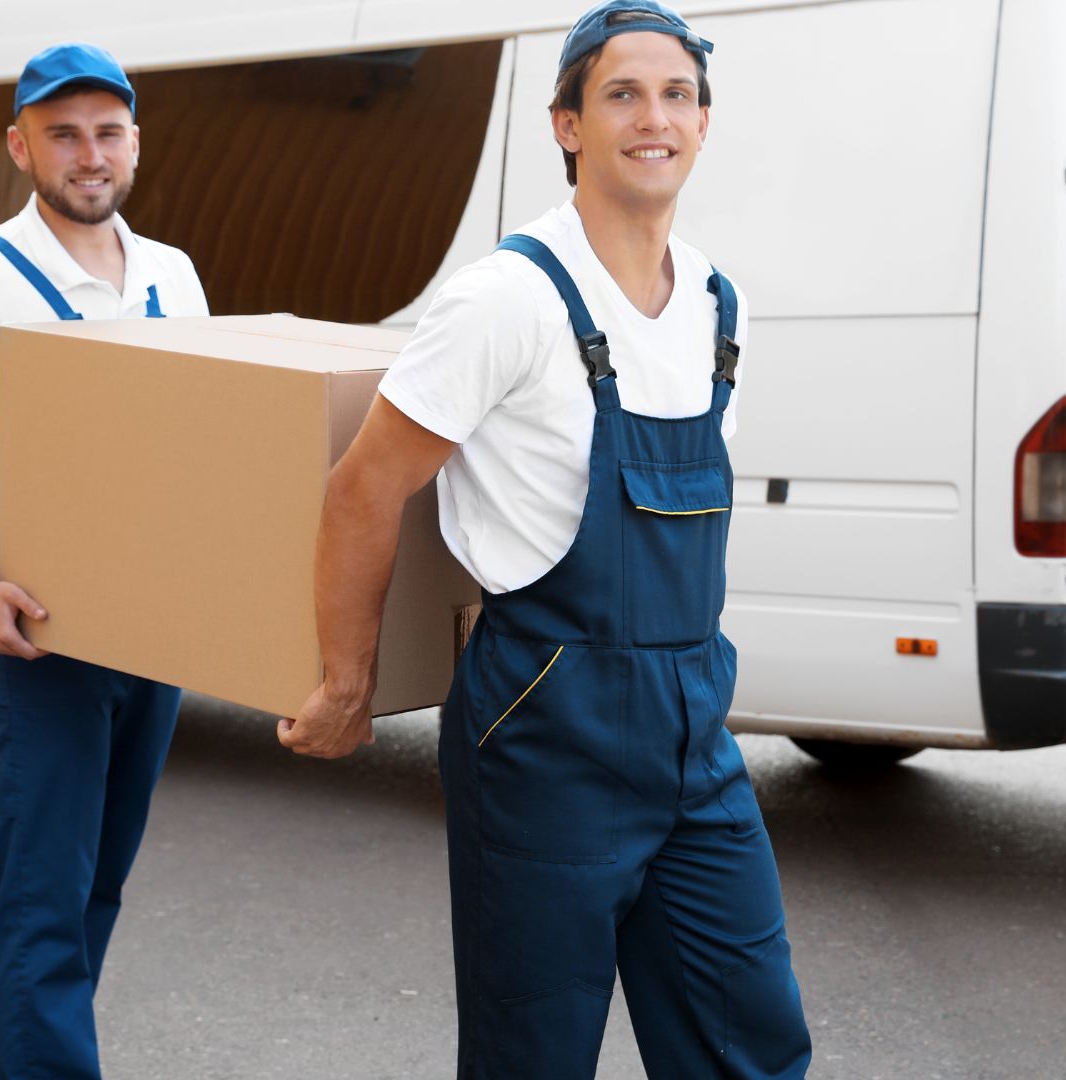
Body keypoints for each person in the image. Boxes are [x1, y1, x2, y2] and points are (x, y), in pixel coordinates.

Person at [277, 3, 812, 1075]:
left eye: (676, 94)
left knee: (749, 1043)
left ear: (704, 123)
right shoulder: (505, 299)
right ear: (568, 124)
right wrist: (347, 684)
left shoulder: (720, 305)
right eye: (622, 94)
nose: (653, 118)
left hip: (693, 735)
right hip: (543, 731)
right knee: (533, 1054)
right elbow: (363, 489)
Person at [0, 43, 208, 1079]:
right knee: (43, 897)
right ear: (20, 148)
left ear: (136, 145)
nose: (89, 154)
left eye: (107, 133)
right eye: (62, 134)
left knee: (97, 882)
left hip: (154, 613)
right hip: (38, 610)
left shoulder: (173, 276)